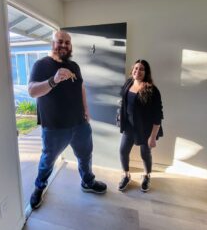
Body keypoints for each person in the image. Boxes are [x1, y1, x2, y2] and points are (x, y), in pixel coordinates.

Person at [28, 30, 107, 209]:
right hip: (54, 128)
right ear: (53, 43)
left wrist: (86, 110)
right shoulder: (41, 65)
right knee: (47, 161)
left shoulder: (74, 66)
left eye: (67, 43)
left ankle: (87, 181)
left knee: (85, 156)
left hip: (80, 124)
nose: (64, 45)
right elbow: (32, 91)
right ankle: (39, 188)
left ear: (71, 46)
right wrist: (53, 80)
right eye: (60, 41)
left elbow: (81, 88)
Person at [118, 59, 163, 192]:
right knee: (123, 151)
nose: (138, 71)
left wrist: (153, 137)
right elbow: (124, 102)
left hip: (145, 129)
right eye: (136, 68)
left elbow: (158, 115)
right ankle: (126, 175)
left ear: (146, 72)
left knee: (145, 153)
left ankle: (147, 176)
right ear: (132, 70)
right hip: (129, 127)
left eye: (141, 69)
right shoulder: (128, 83)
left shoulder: (152, 90)